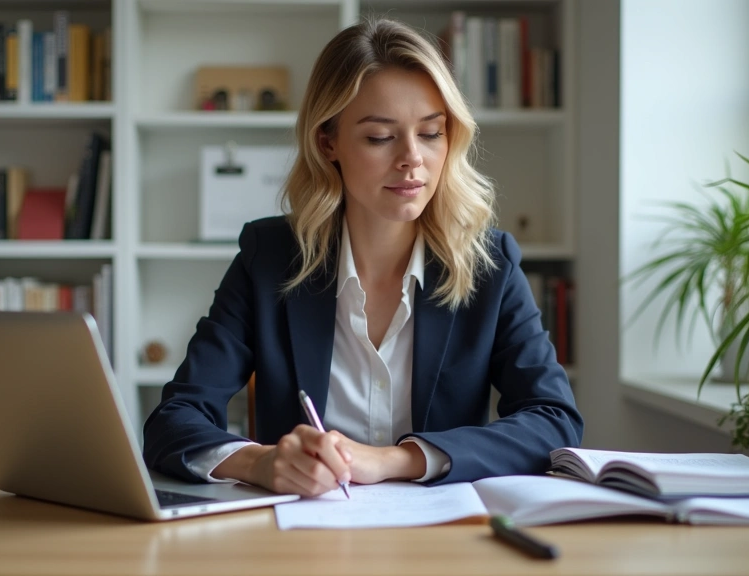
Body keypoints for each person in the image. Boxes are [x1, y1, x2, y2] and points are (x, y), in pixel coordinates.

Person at [143, 18, 583, 497]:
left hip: (445, 540)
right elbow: (174, 420)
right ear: (327, 142)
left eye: (431, 133)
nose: (412, 158)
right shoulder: (268, 257)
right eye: (380, 137)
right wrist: (260, 461)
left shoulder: (489, 264)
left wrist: (395, 460)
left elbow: (554, 420)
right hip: (299, 540)